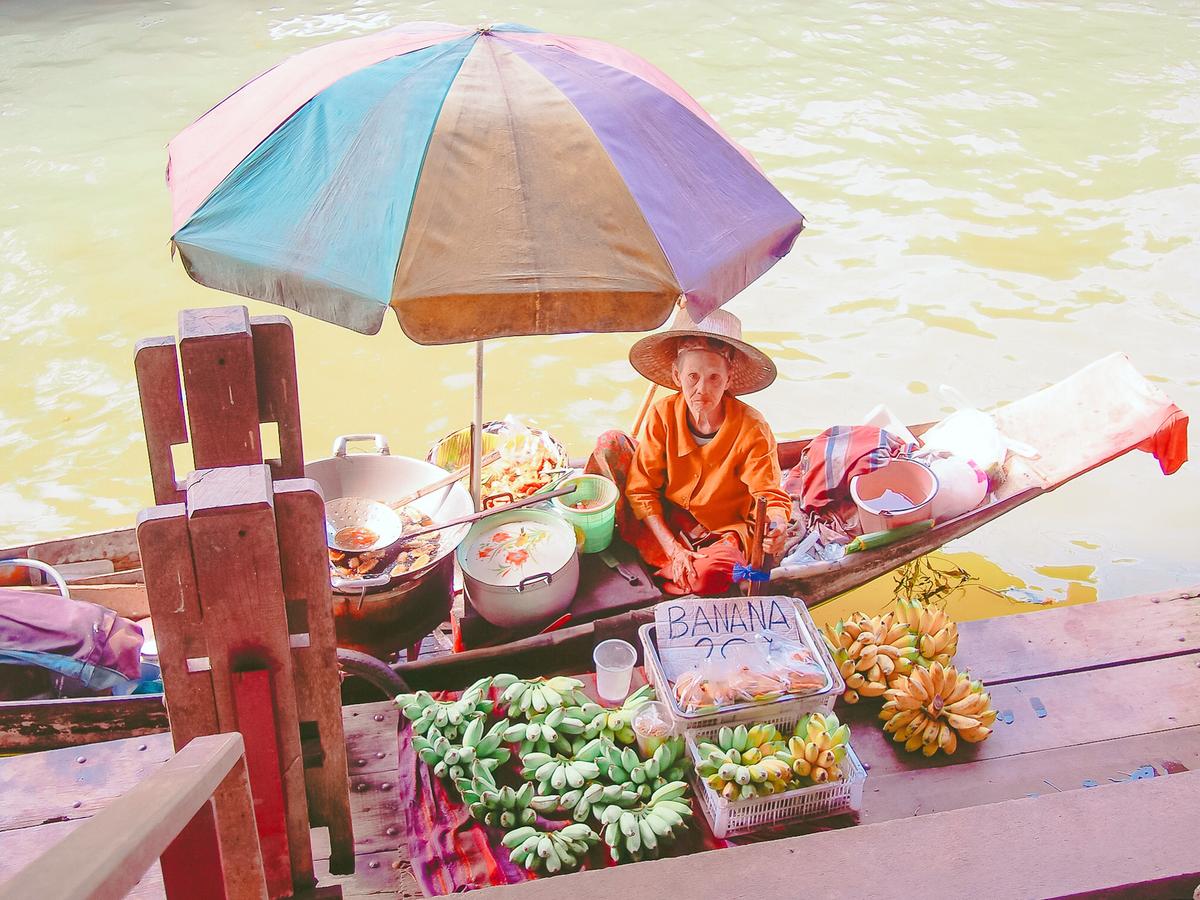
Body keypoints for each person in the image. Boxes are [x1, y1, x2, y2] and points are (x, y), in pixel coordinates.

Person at [586, 306, 791, 596]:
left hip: (720, 532)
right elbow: (642, 491)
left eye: (714, 378)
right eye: (692, 376)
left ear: (729, 378)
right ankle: (669, 562)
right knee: (610, 444)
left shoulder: (752, 427)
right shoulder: (662, 414)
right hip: (667, 518)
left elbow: (769, 496)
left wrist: (777, 526)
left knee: (714, 573)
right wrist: (673, 549)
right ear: (676, 374)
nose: (701, 390)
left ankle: (666, 569)